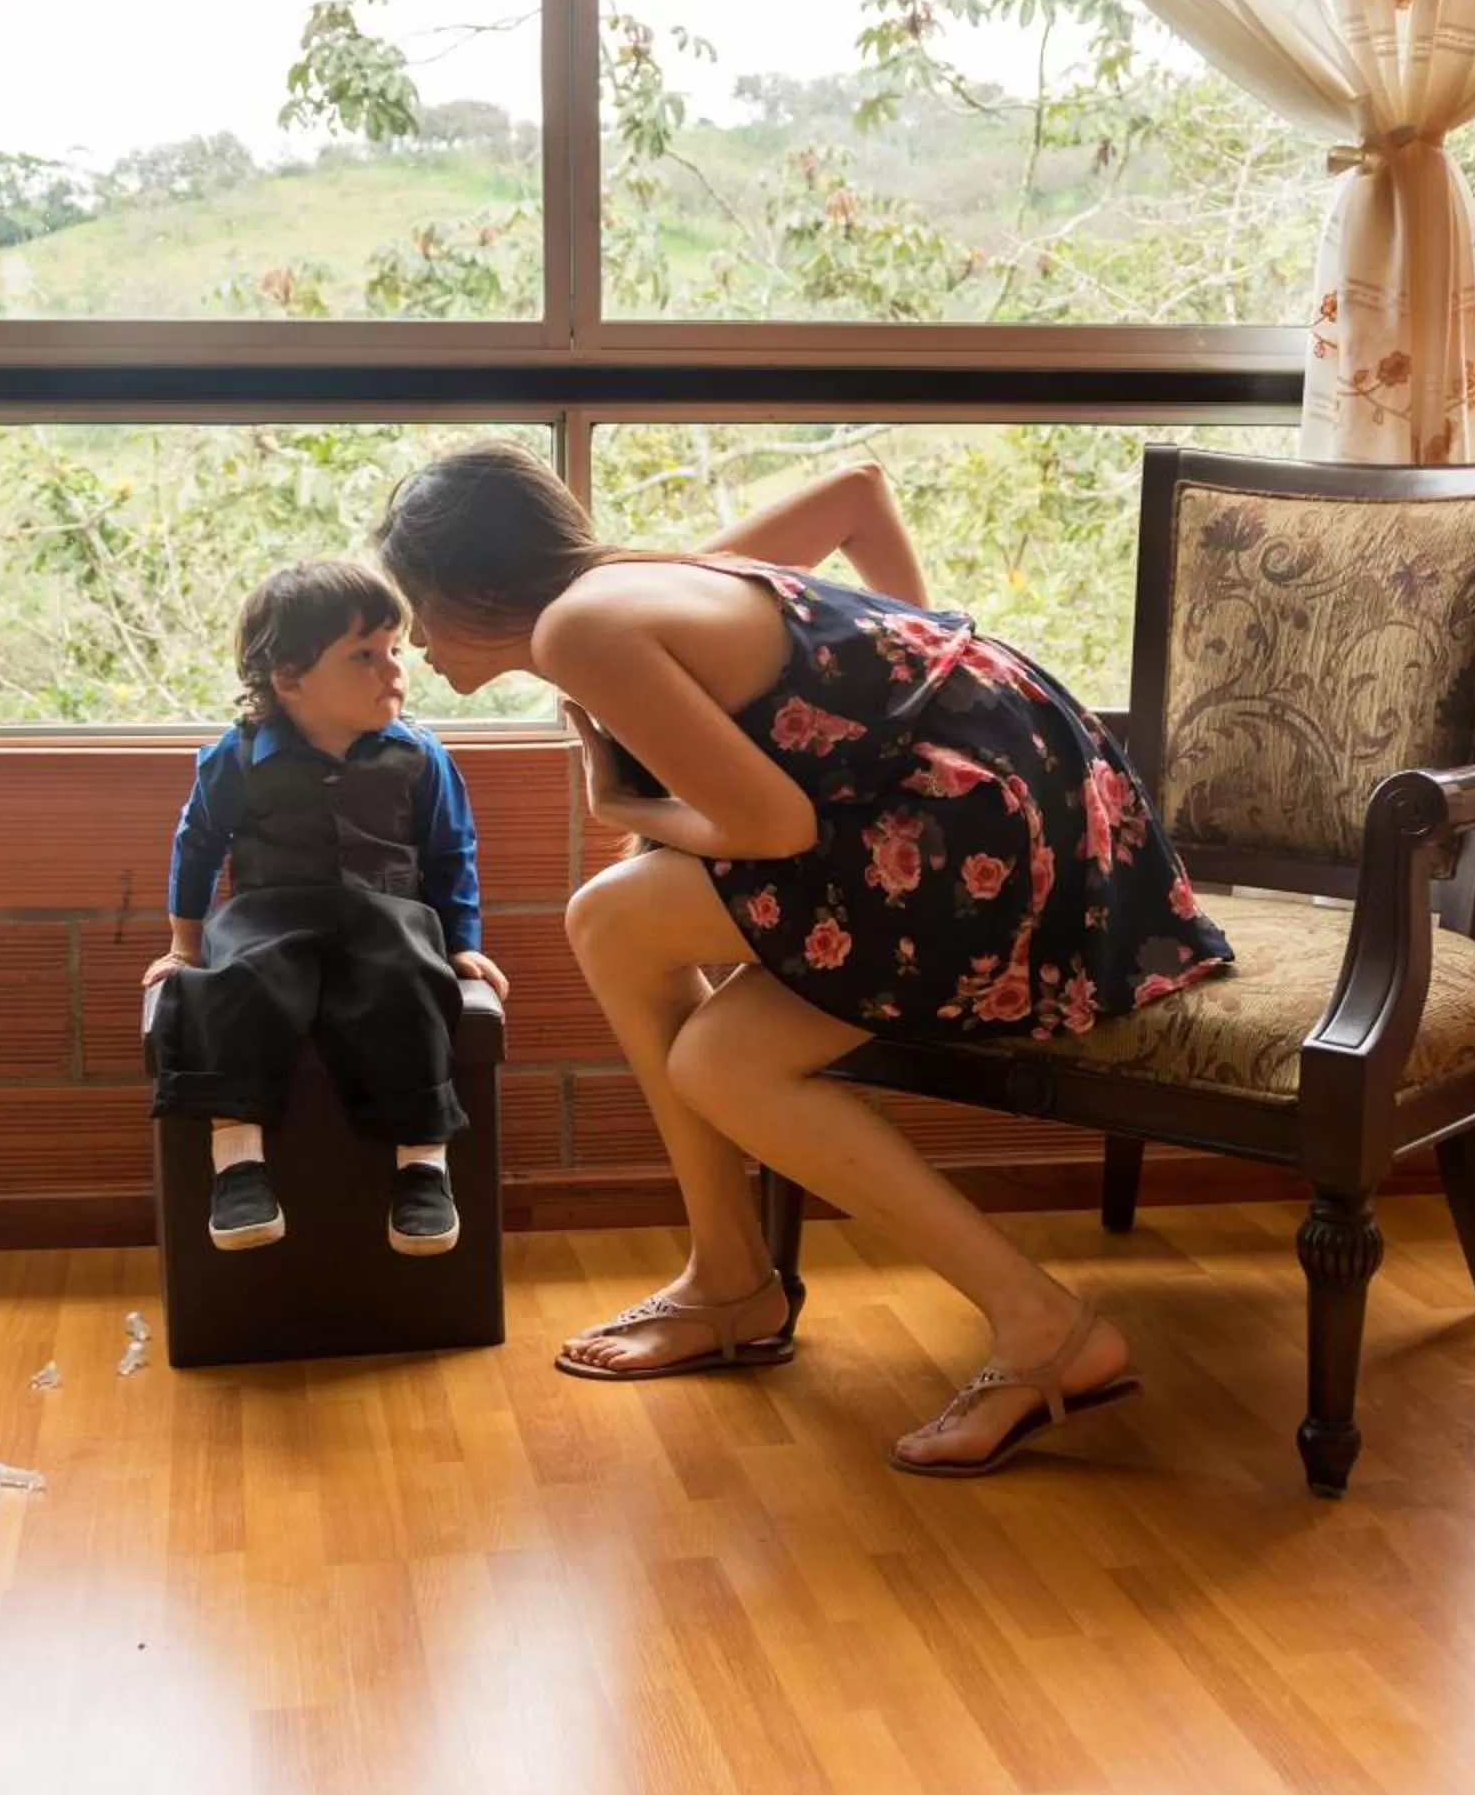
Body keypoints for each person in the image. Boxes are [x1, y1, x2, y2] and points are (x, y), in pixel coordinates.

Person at [373, 447, 1232, 1476]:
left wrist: (623, 804)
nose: (417, 640)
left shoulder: (581, 626)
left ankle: (968, 1312)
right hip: (1037, 801)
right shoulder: (647, 577)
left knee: (613, 921)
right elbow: (865, 490)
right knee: (690, 1025)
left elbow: (772, 824)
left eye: (420, 607)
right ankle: (738, 1278)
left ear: (476, 584)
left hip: (1000, 851)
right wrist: (920, 697)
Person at [142, 561, 510, 1257]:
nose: (393, 670)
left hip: (386, 911)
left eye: (395, 650)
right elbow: (196, 847)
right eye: (364, 655)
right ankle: (239, 1163)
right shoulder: (241, 755)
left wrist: (461, 942)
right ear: (290, 678)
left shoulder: (419, 756)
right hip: (268, 912)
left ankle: (423, 1169)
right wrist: (184, 946)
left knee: (408, 982)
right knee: (237, 983)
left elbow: (449, 854)